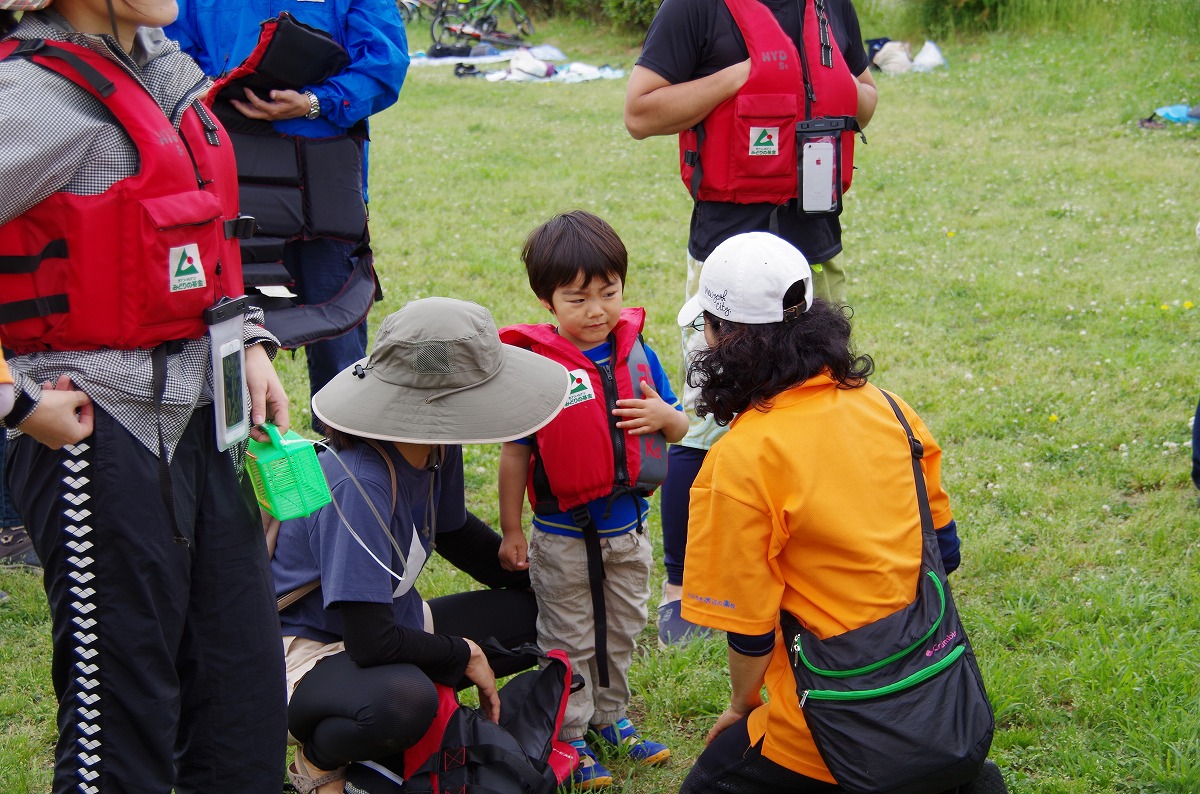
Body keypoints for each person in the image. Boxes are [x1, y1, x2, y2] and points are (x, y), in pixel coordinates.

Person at [0, 0, 293, 790]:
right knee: (120, 722)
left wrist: (252, 336)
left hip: (203, 417)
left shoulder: (162, 64)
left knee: (244, 702)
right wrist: (16, 405)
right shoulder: (26, 95)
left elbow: (203, 230)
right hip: (97, 430)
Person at [670, 232, 1004, 793]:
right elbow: (943, 551)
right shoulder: (891, 409)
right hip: (940, 702)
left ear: (722, 339)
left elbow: (749, 632)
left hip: (823, 729)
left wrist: (743, 708)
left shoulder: (739, 460)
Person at [623, 0, 879, 646]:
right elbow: (640, 112)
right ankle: (685, 592)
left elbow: (865, 98)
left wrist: (823, 86)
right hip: (727, 247)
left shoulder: (830, 6)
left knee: (818, 409)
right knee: (709, 417)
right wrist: (742, 78)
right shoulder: (697, 8)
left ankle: (804, 563)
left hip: (813, 241)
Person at [272, 297, 572, 794]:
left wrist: (535, 581)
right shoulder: (360, 481)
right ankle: (319, 756)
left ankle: (388, 740)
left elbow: (453, 530)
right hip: (309, 654)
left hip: (391, 625)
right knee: (406, 701)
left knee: (535, 615)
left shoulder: (435, 442)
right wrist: (462, 654)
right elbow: (371, 641)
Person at [496, 211, 690, 790]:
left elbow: (679, 428)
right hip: (561, 537)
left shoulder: (640, 355)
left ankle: (612, 717)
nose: (597, 310)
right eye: (577, 298)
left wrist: (665, 417)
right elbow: (515, 455)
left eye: (608, 293)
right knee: (570, 634)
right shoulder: (537, 371)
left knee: (623, 626)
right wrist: (510, 531)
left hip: (628, 528)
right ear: (546, 301)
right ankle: (569, 735)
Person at [166, 0, 409, 417]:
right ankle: (230, 463)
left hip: (323, 189)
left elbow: (385, 63)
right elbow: (166, 55)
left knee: (339, 330)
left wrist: (315, 101)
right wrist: (208, 90)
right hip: (224, 178)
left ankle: (347, 458)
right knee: (222, 333)